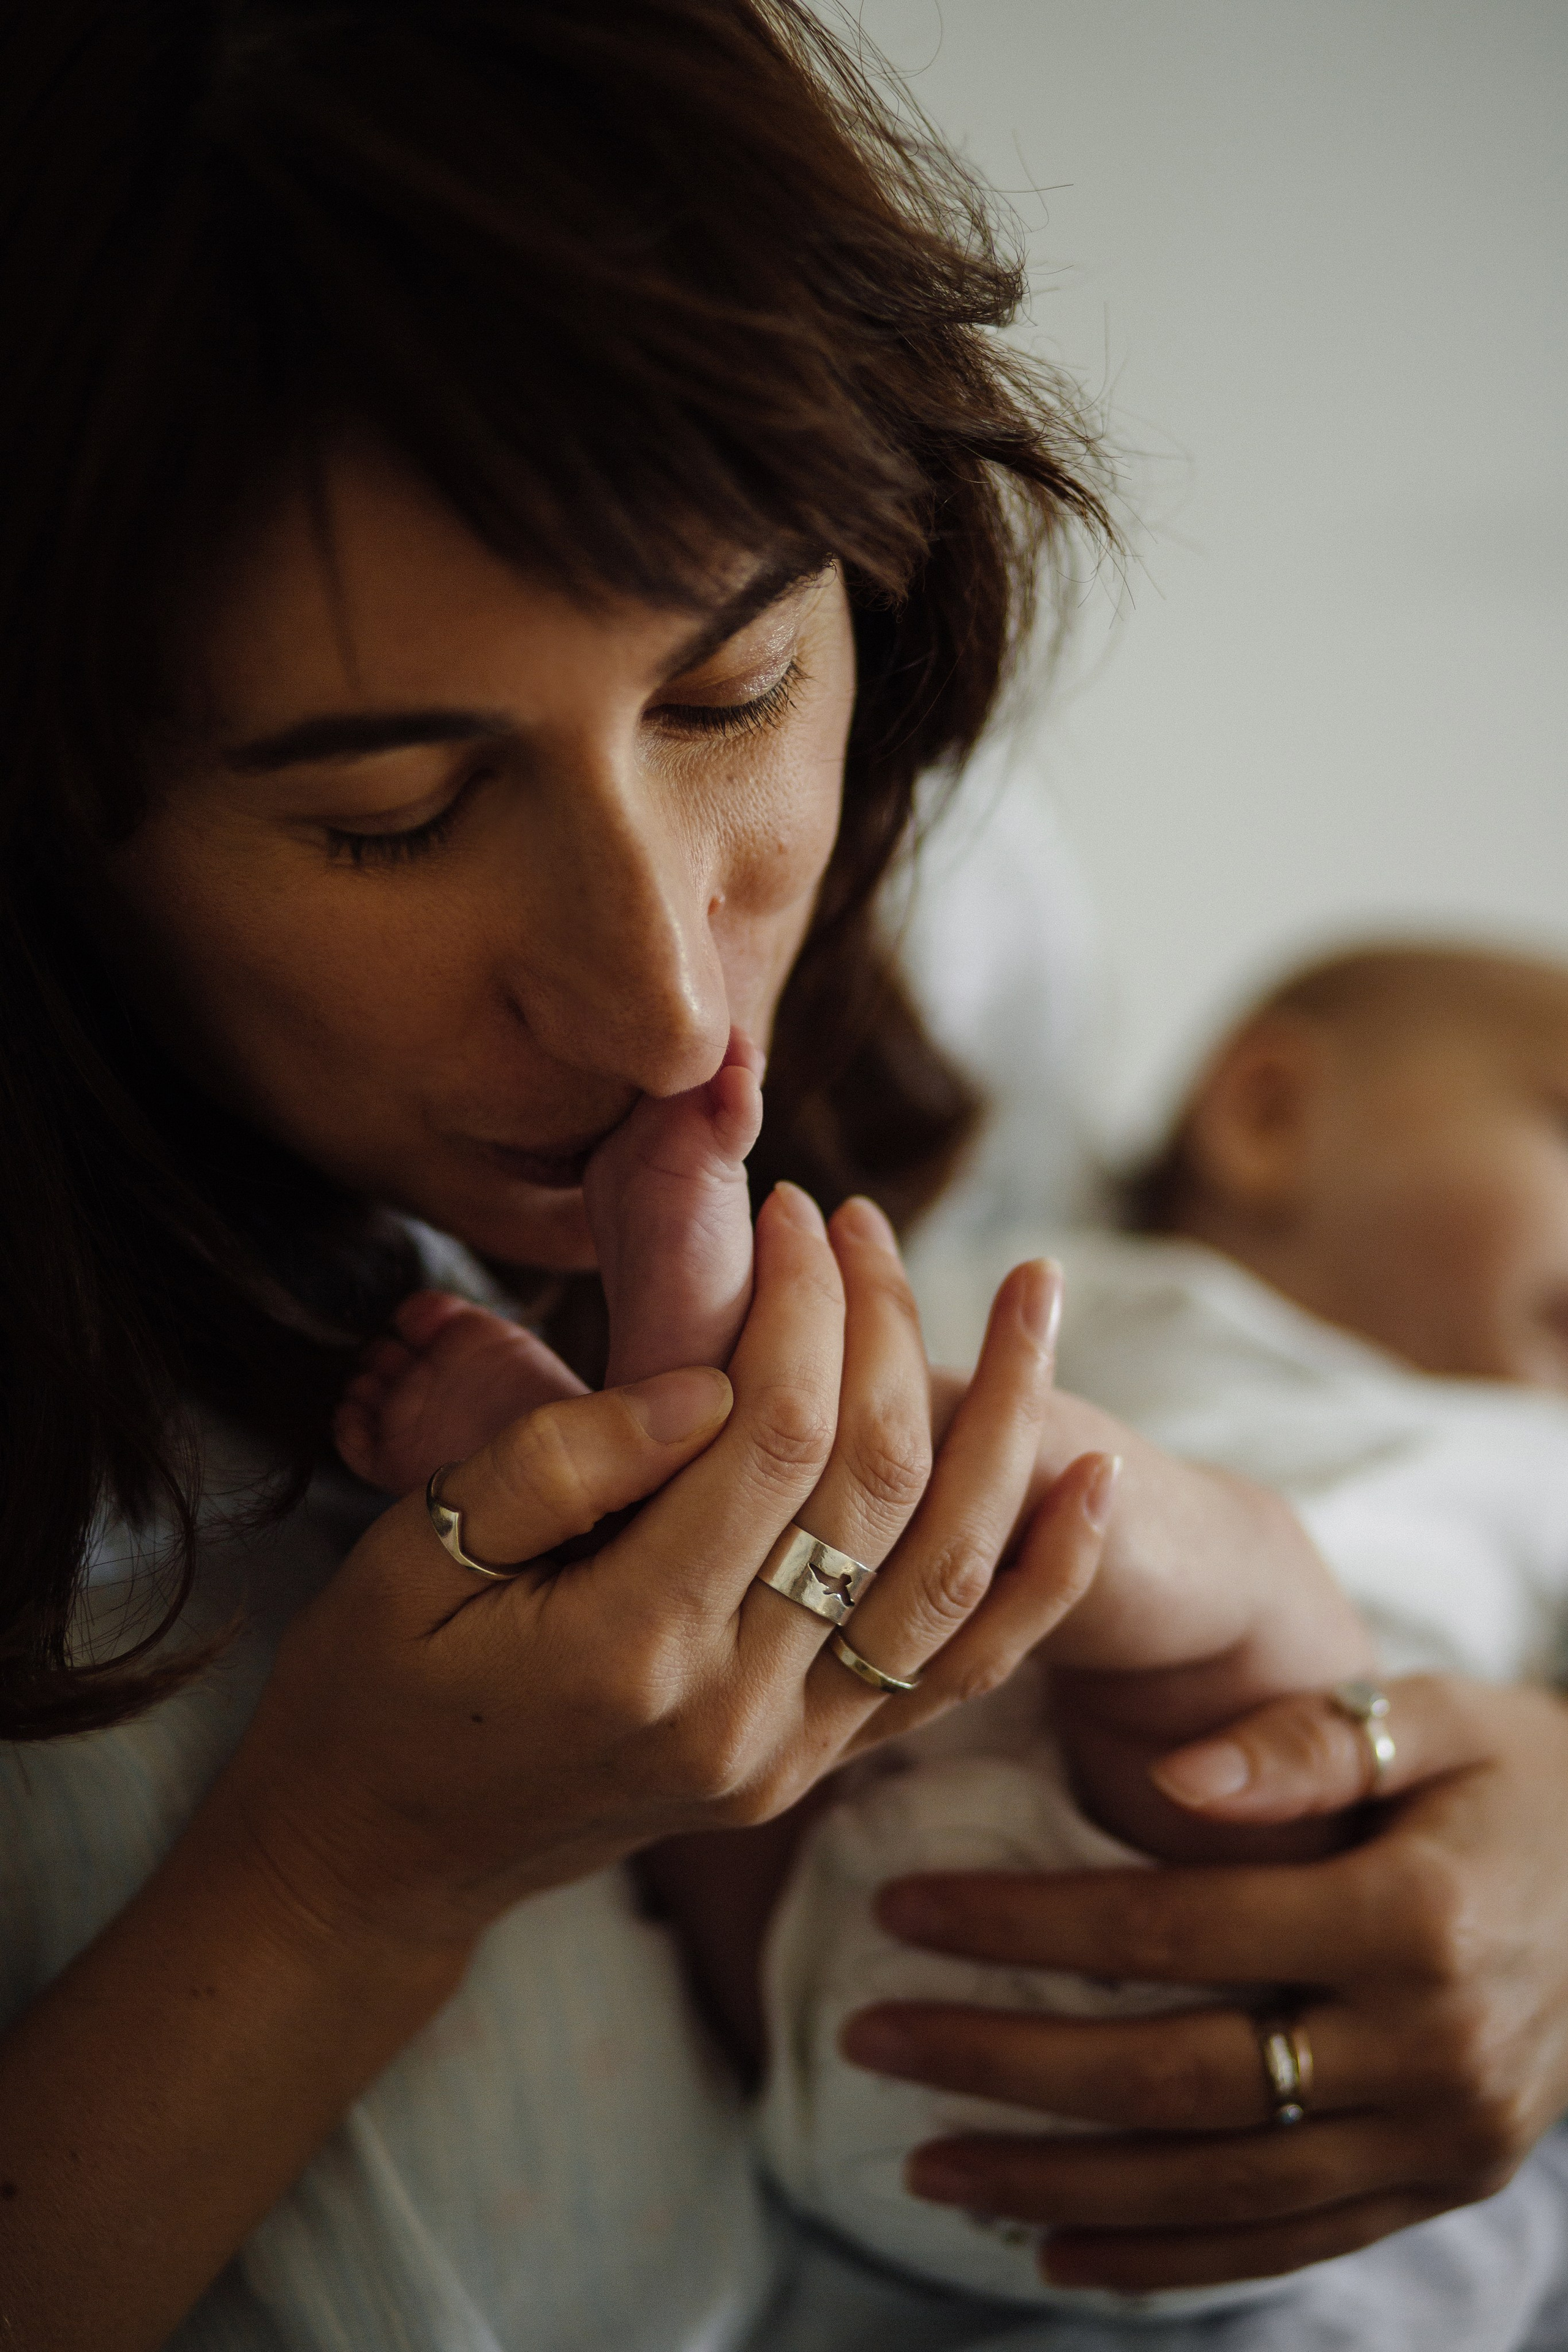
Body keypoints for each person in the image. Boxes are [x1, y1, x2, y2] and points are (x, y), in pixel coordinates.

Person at [4, 8, 1568, 2350]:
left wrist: (1517, 1822)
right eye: (393, 819)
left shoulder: (955, 920)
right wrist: (343, 1879)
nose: (662, 1004)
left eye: (733, 696)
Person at [759, 940, 1568, 2323]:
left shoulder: (1533, 1455)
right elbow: (843, 1372)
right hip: (836, 1888)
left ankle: (1108, 1538)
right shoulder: (1044, 1286)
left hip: (1280, 1961)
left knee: (1238, 1663)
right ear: (1267, 1117)